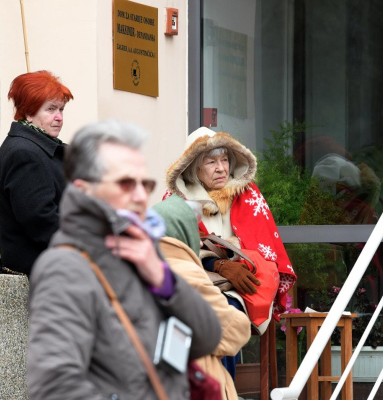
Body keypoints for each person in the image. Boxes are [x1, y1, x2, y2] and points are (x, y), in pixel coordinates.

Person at [27, 120, 222, 400]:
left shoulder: (141, 249)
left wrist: (164, 280)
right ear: (84, 190)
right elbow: (54, 387)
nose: (141, 197)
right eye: (126, 184)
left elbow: (209, 337)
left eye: (145, 184)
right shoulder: (65, 267)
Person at [164, 126, 297, 376]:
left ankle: (221, 387)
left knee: (225, 314)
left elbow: (265, 250)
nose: (221, 168)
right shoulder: (176, 201)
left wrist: (237, 262)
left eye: (224, 160)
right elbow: (172, 253)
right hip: (192, 284)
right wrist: (218, 264)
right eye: (211, 162)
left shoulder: (248, 194)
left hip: (239, 289)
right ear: (193, 168)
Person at [153, 194, 251, 400]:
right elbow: (236, 331)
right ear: (183, 232)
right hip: (198, 382)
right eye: (193, 230)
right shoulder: (186, 272)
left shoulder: (144, 270)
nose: (198, 241)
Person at [0, 70, 74, 275]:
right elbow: (41, 220)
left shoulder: (39, 148)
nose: (59, 117)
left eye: (61, 109)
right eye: (51, 109)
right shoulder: (25, 152)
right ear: (29, 113)